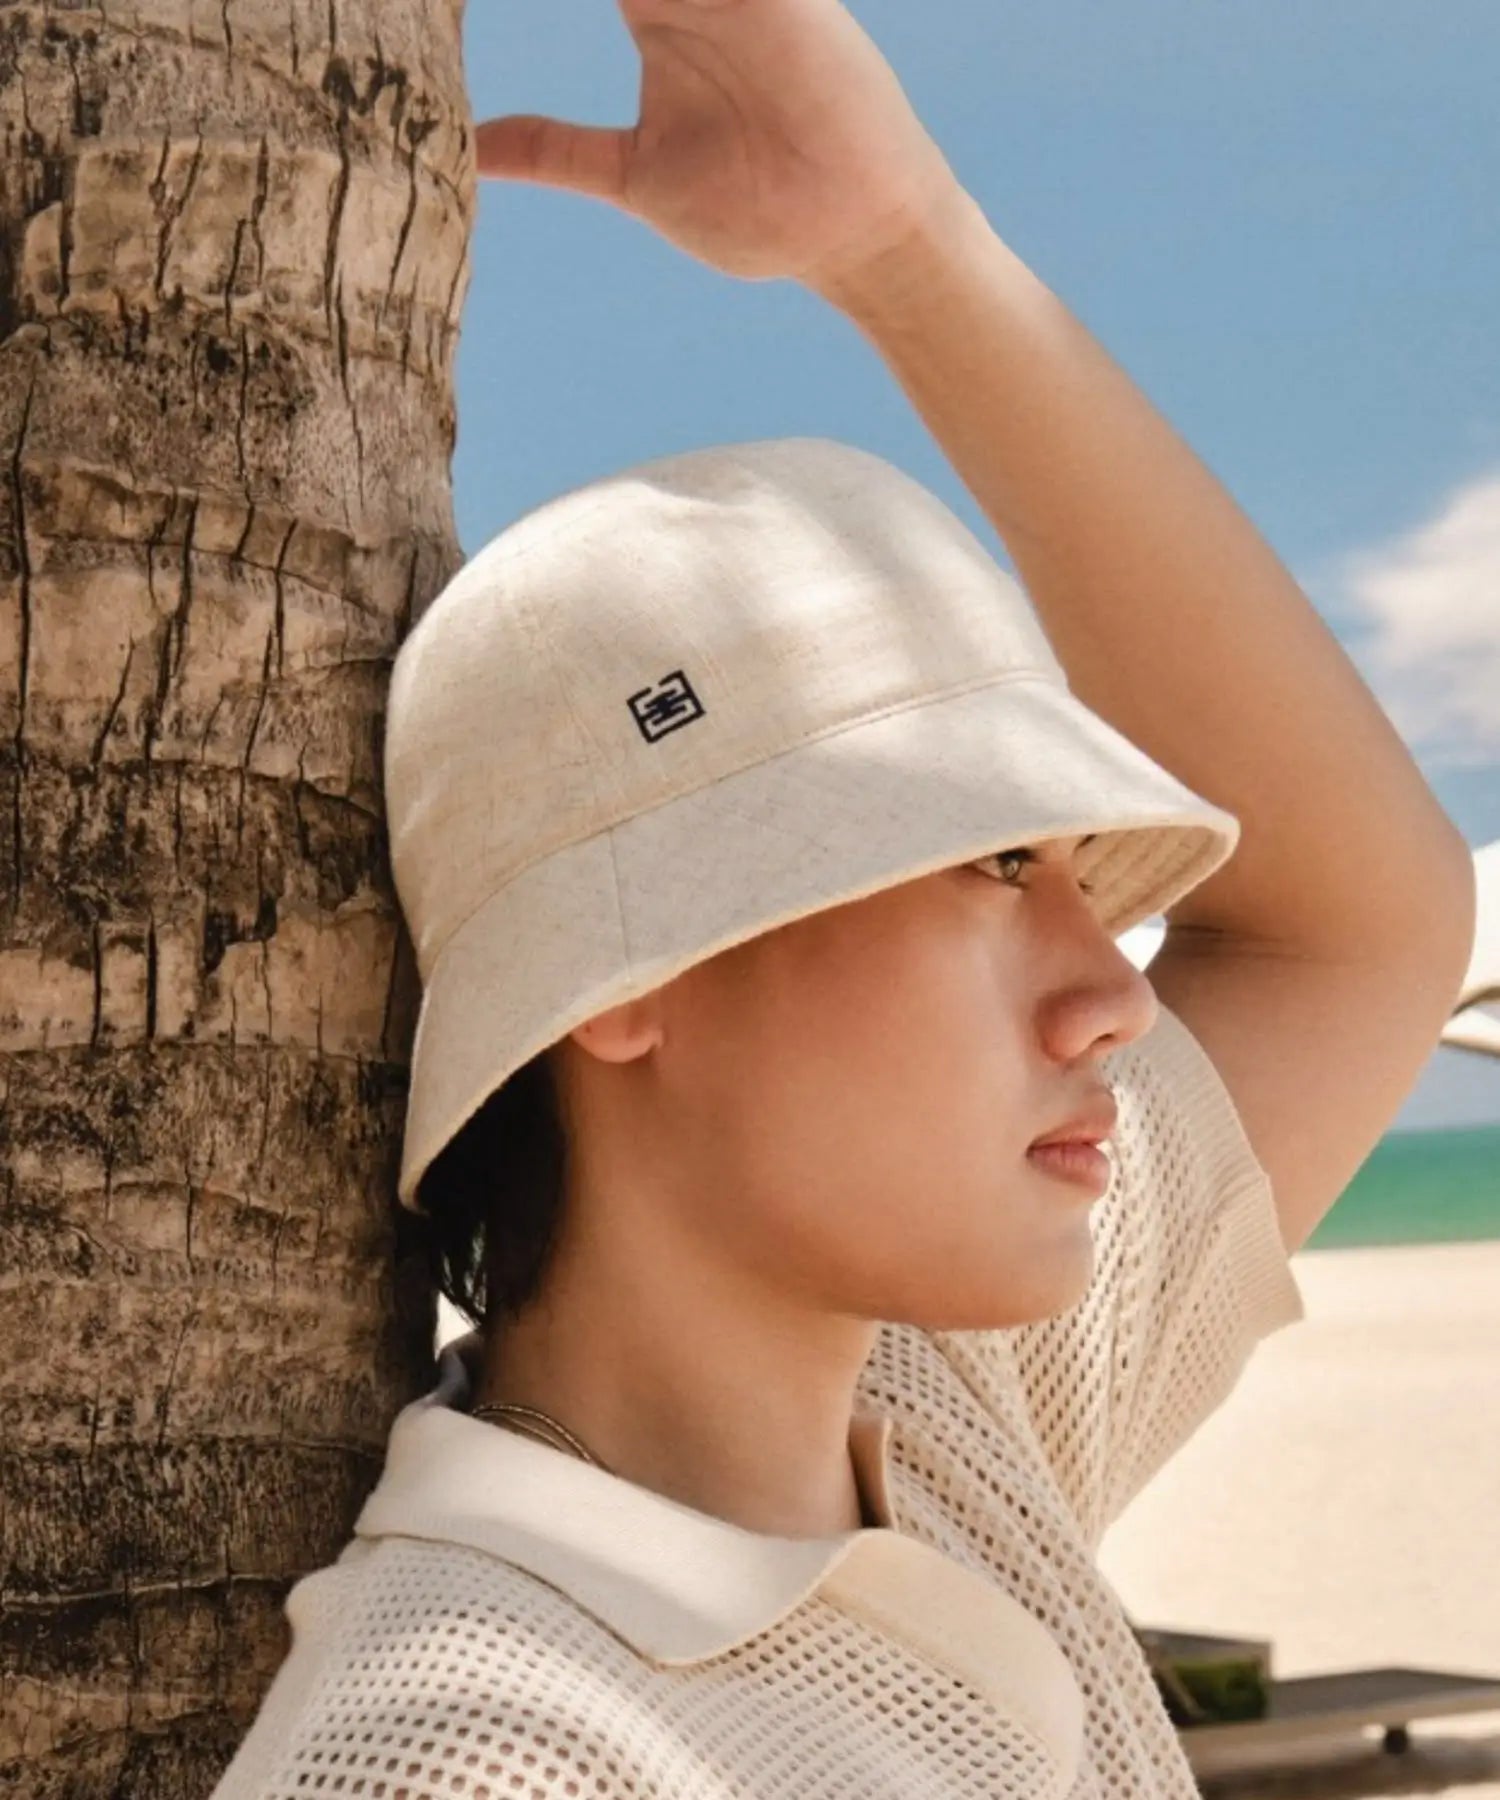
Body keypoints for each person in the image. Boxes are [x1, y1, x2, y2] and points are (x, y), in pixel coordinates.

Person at [208, 3, 1475, 1797]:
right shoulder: (470, 1757)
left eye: (1068, 864)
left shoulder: (944, 1431)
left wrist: (909, 249)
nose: (1108, 987)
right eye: (977, 859)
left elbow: (1358, 924)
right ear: (621, 974)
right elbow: (1352, 935)